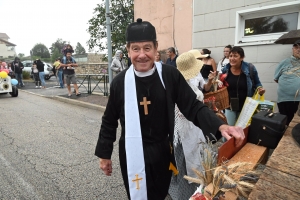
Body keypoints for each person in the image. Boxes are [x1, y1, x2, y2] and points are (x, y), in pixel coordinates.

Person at [95, 18, 245, 200]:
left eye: (147, 48)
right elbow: (109, 121)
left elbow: (193, 106)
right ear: (128, 50)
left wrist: (220, 126)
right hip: (131, 151)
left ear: (156, 47)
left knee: (159, 194)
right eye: (135, 49)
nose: (142, 54)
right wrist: (104, 154)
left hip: (161, 151)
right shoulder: (120, 83)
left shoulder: (169, 75)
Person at [168, 52, 217, 200]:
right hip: (184, 131)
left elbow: (203, 92)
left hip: (195, 128)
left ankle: (199, 186)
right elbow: (179, 109)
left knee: (198, 157)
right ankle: (184, 193)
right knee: (184, 163)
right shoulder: (178, 85)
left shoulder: (191, 80)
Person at [220, 46, 265, 126]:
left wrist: (260, 89)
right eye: (231, 56)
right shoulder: (225, 69)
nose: (232, 58)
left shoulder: (250, 68)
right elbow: (221, 86)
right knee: (229, 129)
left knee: (242, 130)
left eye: (235, 56)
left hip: (246, 106)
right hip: (230, 105)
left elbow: (257, 83)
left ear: (242, 57)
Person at [274, 40, 300, 125]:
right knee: (285, 123)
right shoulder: (284, 62)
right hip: (284, 100)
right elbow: (276, 78)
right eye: (296, 47)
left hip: (299, 101)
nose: (298, 49)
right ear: (293, 49)